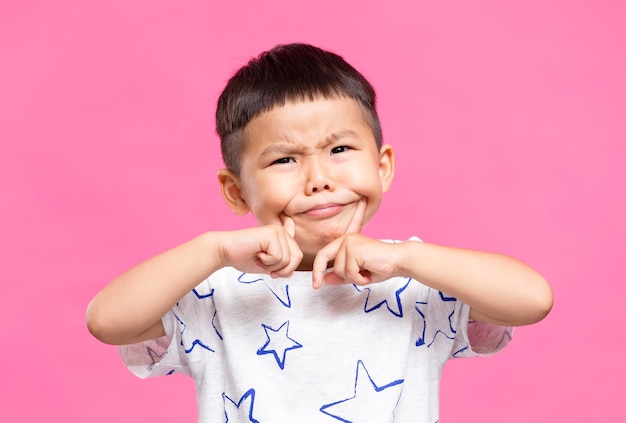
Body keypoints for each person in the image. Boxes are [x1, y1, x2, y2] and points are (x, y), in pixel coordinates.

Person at [86, 43, 553, 422]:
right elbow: (107, 322)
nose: (318, 179)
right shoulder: (214, 288)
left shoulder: (416, 280)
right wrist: (215, 250)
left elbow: (532, 300)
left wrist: (409, 260)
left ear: (382, 166)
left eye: (341, 149)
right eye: (284, 159)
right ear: (236, 191)